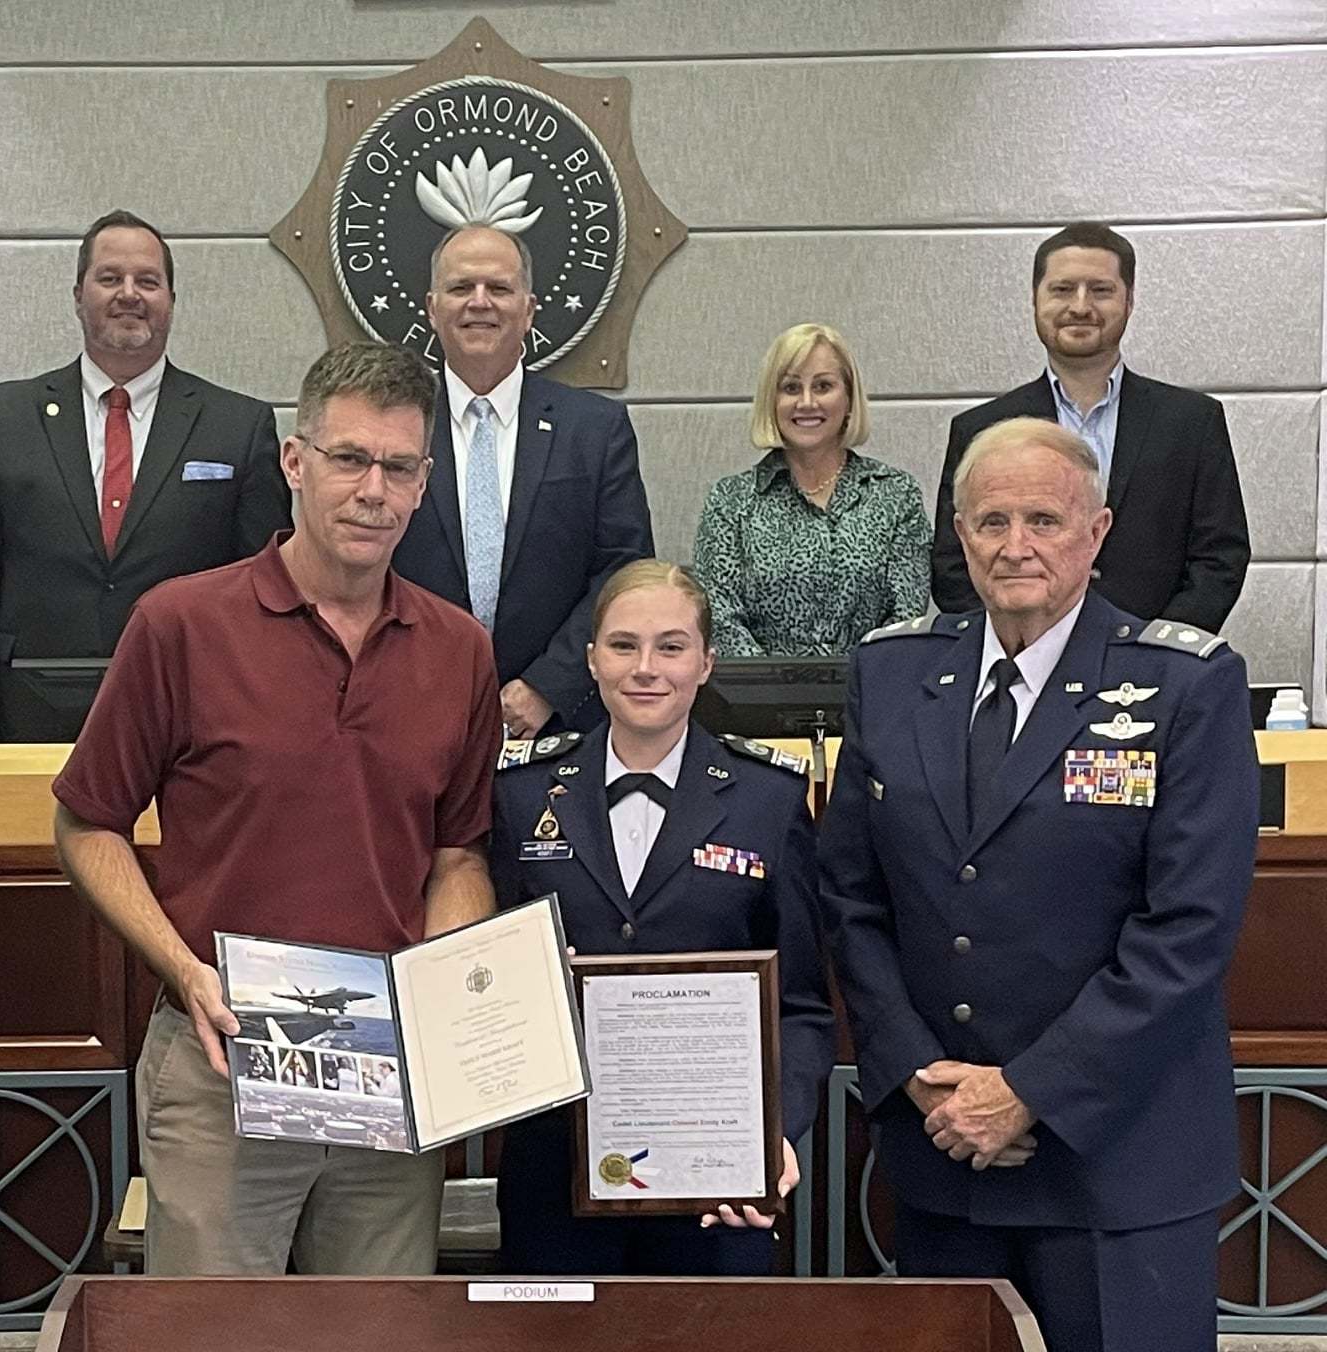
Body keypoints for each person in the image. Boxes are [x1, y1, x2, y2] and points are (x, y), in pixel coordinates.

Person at [51, 341, 502, 1275]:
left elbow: (458, 854)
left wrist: (440, 994)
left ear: (424, 484)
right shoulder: (180, 624)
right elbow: (88, 821)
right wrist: (182, 969)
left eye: (399, 467)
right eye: (348, 459)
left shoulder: (459, 650)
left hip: (386, 1074)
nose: (372, 489)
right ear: (295, 463)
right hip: (224, 1062)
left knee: (376, 1346)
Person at [821, 417, 1257, 1351]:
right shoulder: (892, 675)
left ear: (1096, 534)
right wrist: (923, 1081)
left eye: (1044, 521)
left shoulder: (1183, 687)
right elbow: (853, 900)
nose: (1015, 546)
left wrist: (1027, 1092)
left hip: (1118, 1169)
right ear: (958, 534)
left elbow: (1187, 928)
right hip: (945, 1159)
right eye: (990, 522)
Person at [491, 559, 834, 1274]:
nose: (646, 668)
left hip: (717, 1179)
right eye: (623, 645)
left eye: (671, 647)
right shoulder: (523, 795)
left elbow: (802, 1006)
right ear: (591, 661)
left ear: (707, 663)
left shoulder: (768, 801)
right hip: (556, 1172)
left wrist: (774, 1132)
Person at [0, 208, 291, 742]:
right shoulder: (1, 420)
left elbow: (262, 591)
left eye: (148, 281)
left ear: (172, 300)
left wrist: (257, 718)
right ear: (78, 296)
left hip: (190, 718)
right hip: (29, 714)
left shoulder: (238, 426)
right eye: (110, 278)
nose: (129, 293)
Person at [393, 224, 654, 736]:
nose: (480, 302)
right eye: (461, 288)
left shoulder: (595, 430)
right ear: (431, 307)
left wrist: (549, 685)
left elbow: (623, 572)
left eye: (499, 288)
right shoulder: (396, 425)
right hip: (410, 716)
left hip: (561, 726)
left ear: (530, 310)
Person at [930, 223, 1249, 632]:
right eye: (1062, 290)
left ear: (1129, 301)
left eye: (1100, 290)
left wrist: (1155, 648)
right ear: (1034, 300)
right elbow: (953, 562)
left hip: (1154, 668)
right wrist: (1021, 642)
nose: (1080, 306)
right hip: (1022, 667)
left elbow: (1220, 557)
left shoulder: (1192, 422)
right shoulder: (983, 429)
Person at [692, 324, 930, 656]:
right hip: (755, 702)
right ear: (771, 401)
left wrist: (861, 684)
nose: (806, 402)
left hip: (872, 697)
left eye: (823, 386)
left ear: (848, 398)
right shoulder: (731, 502)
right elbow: (719, 617)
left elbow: (906, 614)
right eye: (790, 387)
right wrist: (775, 686)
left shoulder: (895, 494)